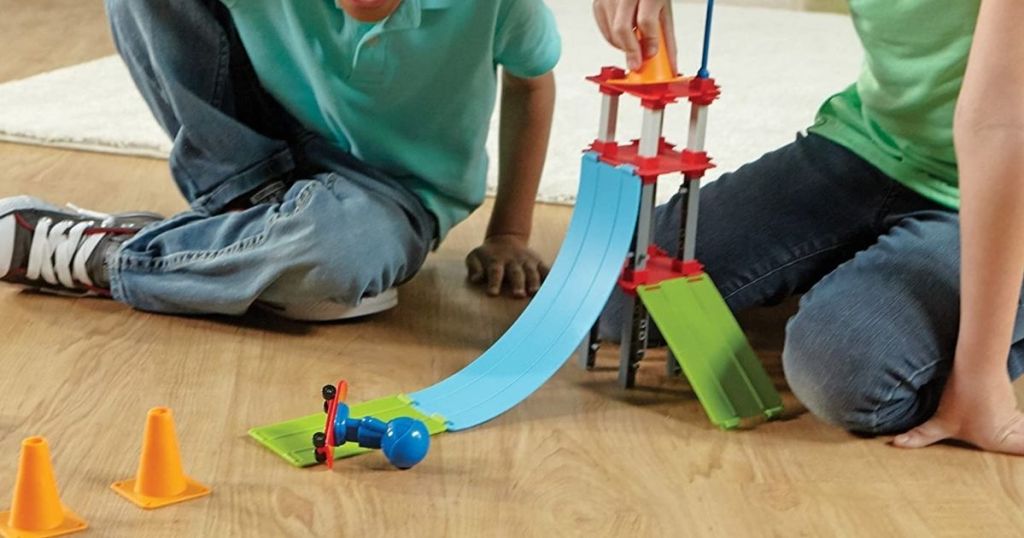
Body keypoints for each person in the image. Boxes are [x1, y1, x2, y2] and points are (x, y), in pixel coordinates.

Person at [593, 0, 1024, 455]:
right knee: (621, 295)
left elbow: (1000, 125)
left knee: (848, 372)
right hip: (872, 143)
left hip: (1001, 180)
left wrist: (979, 374)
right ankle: (866, 286)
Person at [0, 0, 560, 320]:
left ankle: (117, 254)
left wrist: (509, 230)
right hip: (260, 152)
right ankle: (247, 236)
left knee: (336, 256)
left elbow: (531, 86)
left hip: (392, 196)